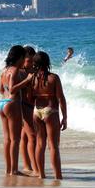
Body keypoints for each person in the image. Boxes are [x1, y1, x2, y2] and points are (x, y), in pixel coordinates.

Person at [0, 45, 35, 176]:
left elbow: (1, 90)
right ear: (19, 57)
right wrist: (27, 80)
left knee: (7, 139)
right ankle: (14, 170)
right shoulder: (14, 70)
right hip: (12, 103)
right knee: (15, 139)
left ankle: (8, 169)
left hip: (2, 103)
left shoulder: (4, 70)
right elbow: (13, 89)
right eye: (23, 58)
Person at [31, 51, 67, 179]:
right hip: (50, 111)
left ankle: (41, 175)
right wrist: (65, 117)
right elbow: (61, 99)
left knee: (40, 144)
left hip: (36, 111)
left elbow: (29, 97)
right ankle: (58, 176)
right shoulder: (54, 78)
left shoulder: (32, 78)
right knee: (53, 146)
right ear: (47, 62)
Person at [19, 46, 39, 176]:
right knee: (32, 136)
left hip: (32, 106)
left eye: (33, 60)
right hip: (23, 106)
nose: (31, 63)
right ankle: (34, 167)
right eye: (29, 60)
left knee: (25, 136)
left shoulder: (33, 70)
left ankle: (27, 165)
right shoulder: (20, 72)